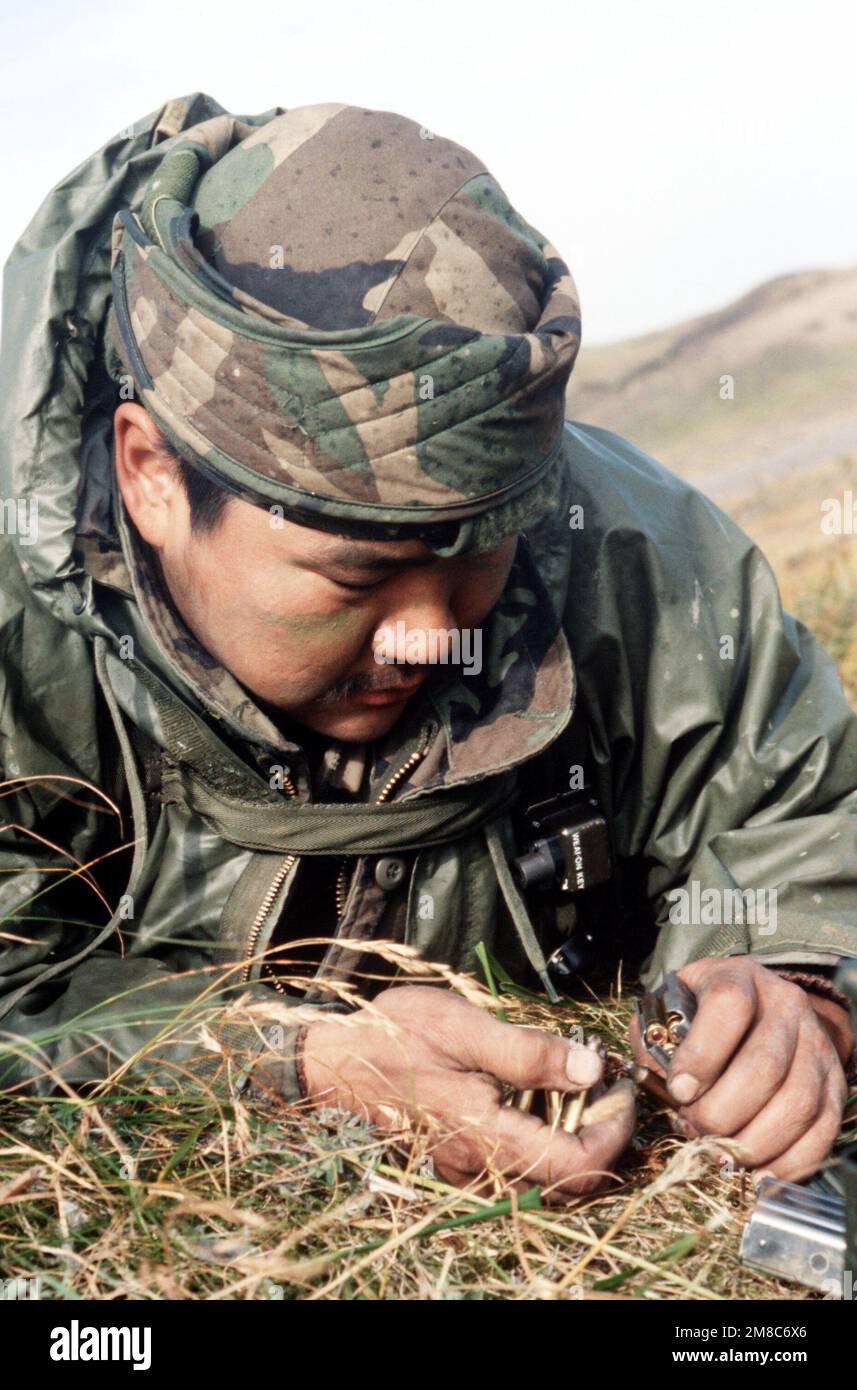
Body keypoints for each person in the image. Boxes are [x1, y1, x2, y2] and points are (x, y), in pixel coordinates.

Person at [0, 95, 854, 1202]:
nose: (432, 634)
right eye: (357, 574)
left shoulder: (644, 557)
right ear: (152, 476)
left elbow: (801, 806)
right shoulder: (23, 639)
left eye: (477, 555)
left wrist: (795, 981)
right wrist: (281, 1063)